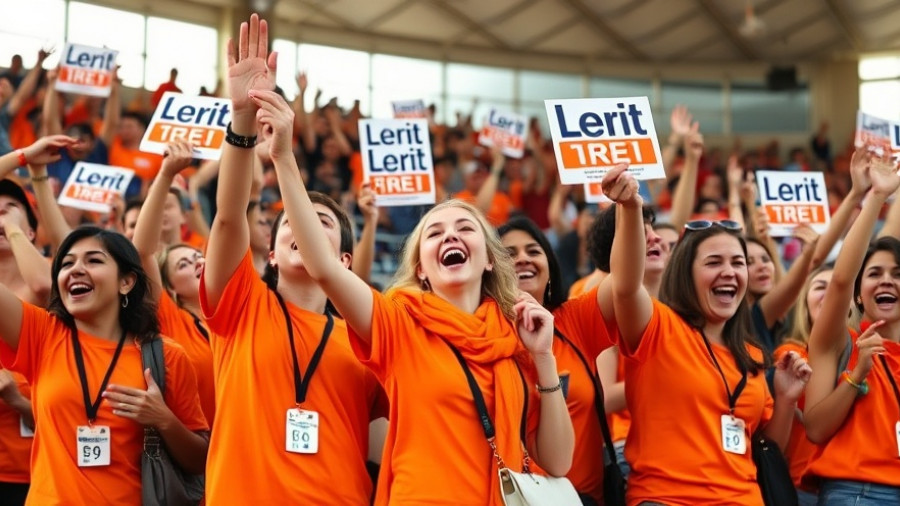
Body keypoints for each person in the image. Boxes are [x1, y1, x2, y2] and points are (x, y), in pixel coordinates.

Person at [255, 81, 574, 506]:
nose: (450, 236)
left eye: (464, 229)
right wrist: (284, 159)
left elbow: (557, 461)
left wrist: (544, 359)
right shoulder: (398, 322)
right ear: (421, 268)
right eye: (434, 233)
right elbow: (325, 266)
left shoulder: (515, 336)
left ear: (488, 260)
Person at [199, 14, 387, 504]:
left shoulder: (368, 337)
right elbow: (229, 217)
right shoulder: (240, 305)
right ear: (274, 254)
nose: (302, 231)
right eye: (290, 224)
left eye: (322, 224)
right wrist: (242, 120)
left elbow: (389, 446)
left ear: (345, 260)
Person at [604, 162, 811, 504]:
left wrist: (787, 398)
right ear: (686, 273)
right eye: (714, 263)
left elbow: (768, 443)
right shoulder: (658, 328)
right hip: (668, 498)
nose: (729, 272)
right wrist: (630, 208)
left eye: (737, 263)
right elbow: (626, 287)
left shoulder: (753, 355)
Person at [0, 226, 208, 504]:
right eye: (66, 263)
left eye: (93, 260)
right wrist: (12, 227)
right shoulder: (42, 335)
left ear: (126, 282)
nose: (75, 270)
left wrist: (163, 419)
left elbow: (199, 461)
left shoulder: (167, 356)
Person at [499, 216, 625, 505]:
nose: (522, 259)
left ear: (550, 267)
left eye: (533, 251)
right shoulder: (478, 334)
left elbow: (626, 280)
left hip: (584, 498)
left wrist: (627, 208)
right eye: (509, 254)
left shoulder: (574, 321)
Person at [804, 150, 900, 504]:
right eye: (874, 274)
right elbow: (814, 428)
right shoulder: (840, 342)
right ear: (859, 295)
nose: (886, 281)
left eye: (897, 274)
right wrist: (875, 196)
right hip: (860, 493)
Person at [133, 139, 216, 425]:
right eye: (183, 264)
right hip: (196, 452)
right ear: (170, 290)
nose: (196, 262)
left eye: (197, 256)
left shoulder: (238, 314)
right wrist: (166, 174)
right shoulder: (172, 318)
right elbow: (142, 251)